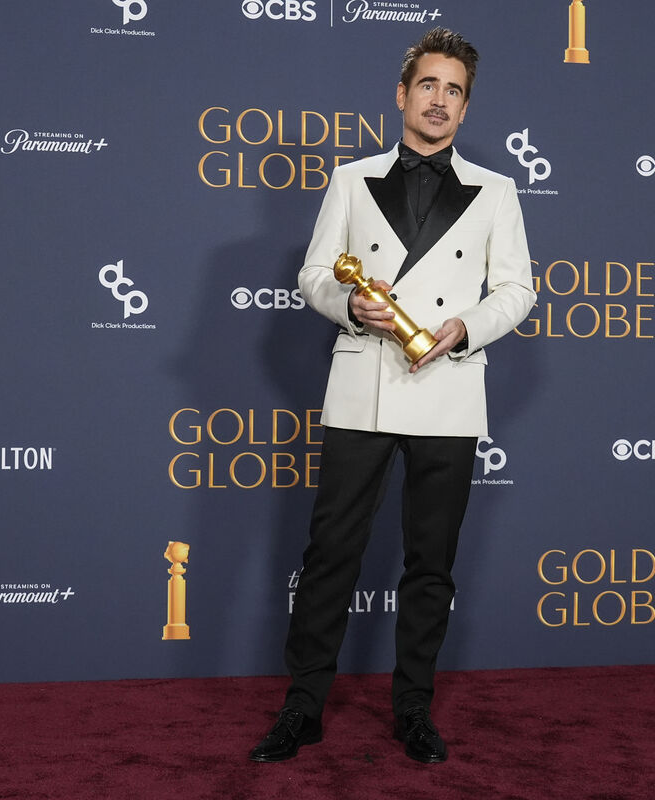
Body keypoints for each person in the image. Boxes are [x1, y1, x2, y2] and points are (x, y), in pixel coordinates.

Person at [249, 27, 535, 765]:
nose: (440, 100)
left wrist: (465, 327)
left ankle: (414, 710)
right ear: (402, 94)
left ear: (466, 109)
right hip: (363, 384)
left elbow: (517, 291)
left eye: (454, 91)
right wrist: (351, 306)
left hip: (447, 387)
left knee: (431, 563)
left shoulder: (497, 191)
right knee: (330, 554)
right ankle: (303, 707)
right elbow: (315, 274)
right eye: (429, 85)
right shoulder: (351, 179)